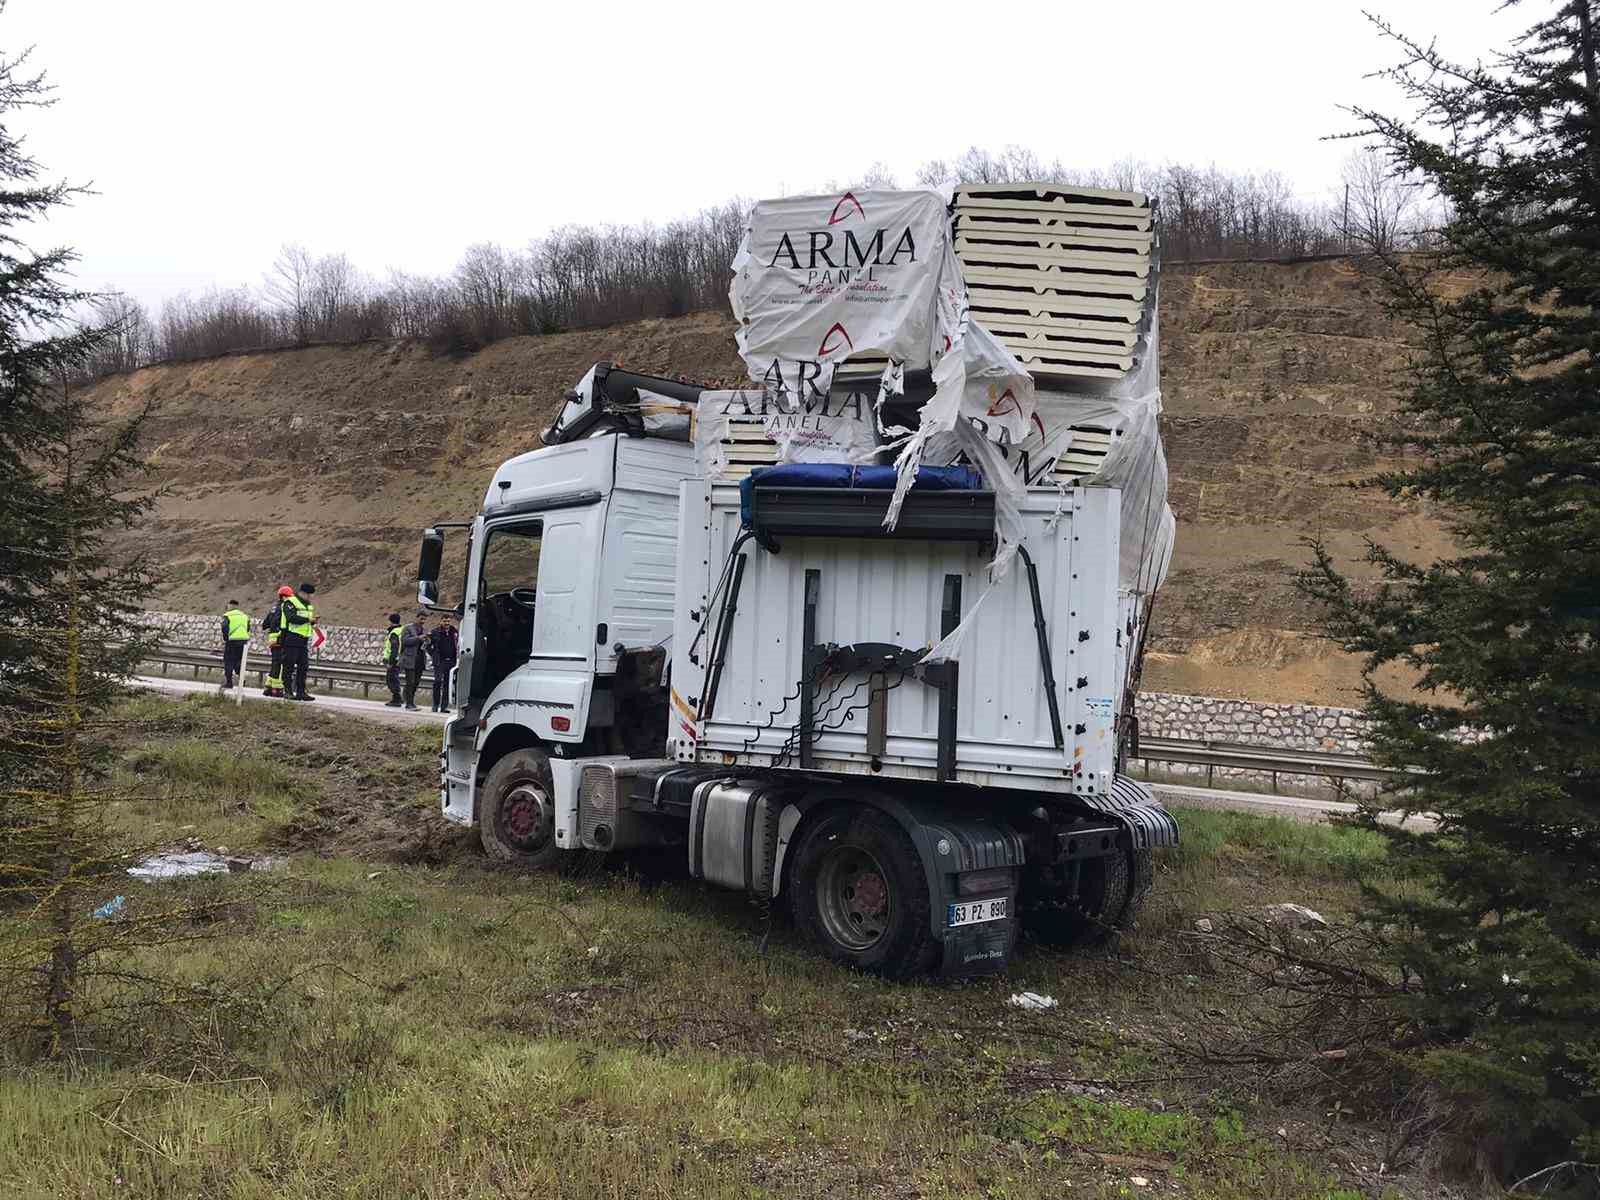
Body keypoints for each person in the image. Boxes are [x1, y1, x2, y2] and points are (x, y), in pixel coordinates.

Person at [279, 581, 318, 702]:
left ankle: (301, 692)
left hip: (303, 640)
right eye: (308, 594)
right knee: (289, 665)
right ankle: (288, 691)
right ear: (302, 593)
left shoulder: (309, 605)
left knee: (303, 666)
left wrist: (312, 621)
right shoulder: (290, 602)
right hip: (292, 638)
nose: (310, 597)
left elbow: (306, 620)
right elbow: (291, 618)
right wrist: (307, 619)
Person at [262, 586, 292, 698]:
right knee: (280, 663)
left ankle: (268, 687)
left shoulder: (273, 608)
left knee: (275, 662)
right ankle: (277, 688)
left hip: (272, 637)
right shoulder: (285, 607)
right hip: (280, 637)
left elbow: (265, 624)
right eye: (289, 597)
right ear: (284, 596)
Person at [428, 614, 459, 712]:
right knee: (437, 682)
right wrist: (433, 654)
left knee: (447, 684)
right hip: (439, 661)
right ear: (441, 621)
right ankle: (435, 705)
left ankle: (444, 706)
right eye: (445, 621)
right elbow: (427, 645)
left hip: (451, 661)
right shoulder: (435, 632)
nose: (447, 623)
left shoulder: (454, 632)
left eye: (448, 621)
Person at [400, 609, 429, 711]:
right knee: (410, 682)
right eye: (421, 619)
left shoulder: (424, 630)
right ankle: (409, 703)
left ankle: (409, 699)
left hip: (420, 660)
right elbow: (405, 641)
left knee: (416, 682)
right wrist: (418, 638)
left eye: (424, 620)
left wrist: (427, 641)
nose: (422, 621)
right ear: (416, 617)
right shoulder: (408, 628)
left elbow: (425, 645)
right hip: (410, 659)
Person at [220, 600, 251, 690]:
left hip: (232, 641)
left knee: (228, 661)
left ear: (230, 606)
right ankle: (241, 678)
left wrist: (226, 638)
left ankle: (229, 682)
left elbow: (224, 627)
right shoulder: (244, 616)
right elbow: (248, 628)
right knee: (239, 661)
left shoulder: (228, 615)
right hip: (243, 641)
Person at [381, 612, 404, 707]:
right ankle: (398, 698)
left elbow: (394, 648)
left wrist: (391, 662)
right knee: (394, 678)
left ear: (391, 621)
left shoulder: (394, 633)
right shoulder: (401, 630)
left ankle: (397, 699)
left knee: (391, 679)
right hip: (400, 658)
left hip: (393, 660)